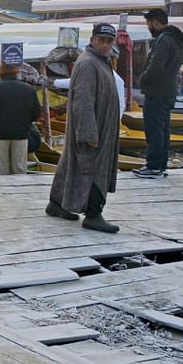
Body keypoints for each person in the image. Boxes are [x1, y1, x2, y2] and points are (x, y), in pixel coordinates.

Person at [44, 23, 121, 234]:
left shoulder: (99, 61)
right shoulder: (89, 64)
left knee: (71, 163)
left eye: (109, 41)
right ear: (93, 39)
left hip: (100, 127)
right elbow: (83, 101)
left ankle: (56, 203)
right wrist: (88, 132)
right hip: (93, 129)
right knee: (94, 170)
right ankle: (94, 214)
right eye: (101, 40)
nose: (105, 45)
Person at [134, 9, 183, 179]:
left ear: (155, 22)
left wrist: (142, 80)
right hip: (169, 91)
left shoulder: (164, 39)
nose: (148, 27)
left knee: (154, 129)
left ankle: (153, 166)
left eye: (148, 23)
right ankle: (161, 166)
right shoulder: (176, 38)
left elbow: (156, 66)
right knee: (163, 129)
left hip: (157, 91)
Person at [0, 62, 42, 175]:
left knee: (1, 169)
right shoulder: (29, 89)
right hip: (21, 134)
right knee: (19, 168)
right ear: (17, 74)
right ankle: (18, 190)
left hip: (0, 134)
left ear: (1, 75)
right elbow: (36, 113)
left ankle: (3, 191)